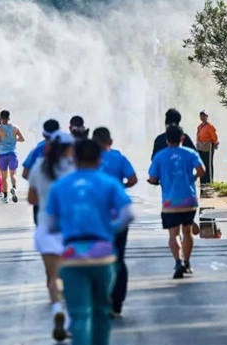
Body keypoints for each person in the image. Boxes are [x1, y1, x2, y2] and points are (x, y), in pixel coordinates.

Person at [46, 139, 135, 345]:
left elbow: (49, 224)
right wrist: (110, 230)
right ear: (99, 159)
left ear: (74, 158)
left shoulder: (61, 186)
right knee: (102, 311)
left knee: (79, 314)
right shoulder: (109, 183)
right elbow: (128, 214)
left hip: (72, 256)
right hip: (103, 255)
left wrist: (66, 228)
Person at [28, 131, 76, 342]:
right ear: (69, 148)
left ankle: (58, 309)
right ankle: (70, 319)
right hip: (71, 228)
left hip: (46, 228)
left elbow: (31, 198)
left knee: (53, 276)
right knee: (72, 277)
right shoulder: (74, 168)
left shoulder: (39, 167)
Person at [148, 124, 205, 279]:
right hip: (188, 200)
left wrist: (155, 181)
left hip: (170, 202)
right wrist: (192, 178)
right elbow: (202, 171)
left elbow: (153, 178)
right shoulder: (190, 153)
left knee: (173, 234)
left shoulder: (160, 157)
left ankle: (178, 261)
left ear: (167, 140)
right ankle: (187, 262)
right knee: (187, 232)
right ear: (182, 138)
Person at [92, 127, 138, 318]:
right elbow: (134, 178)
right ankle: (117, 302)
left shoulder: (88, 160)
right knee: (118, 258)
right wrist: (120, 186)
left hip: (95, 220)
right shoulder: (119, 159)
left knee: (95, 258)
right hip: (118, 217)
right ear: (110, 141)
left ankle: (100, 299)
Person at [22, 119, 60, 224]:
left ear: (43, 134)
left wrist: (39, 181)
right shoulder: (68, 150)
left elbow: (25, 173)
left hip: (41, 203)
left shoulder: (37, 150)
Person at [0, 110, 25, 204]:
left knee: (4, 177)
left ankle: (6, 197)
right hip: (13, 154)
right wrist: (14, 139)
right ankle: (14, 188)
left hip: (2, 155)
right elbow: (22, 139)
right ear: (9, 118)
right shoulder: (15, 128)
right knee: (13, 174)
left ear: (0, 118)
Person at [196, 110, 219, 185]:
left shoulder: (210, 126)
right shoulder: (199, 126)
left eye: (204, 116)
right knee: (201, 163)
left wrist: (215, 143)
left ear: (207, 117)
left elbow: (214, 136)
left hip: (208, 146)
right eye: (201, 115)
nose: (202, 117)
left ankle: (209, 181)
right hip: (200, 147)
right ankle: (203, 181)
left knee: (208, 163)